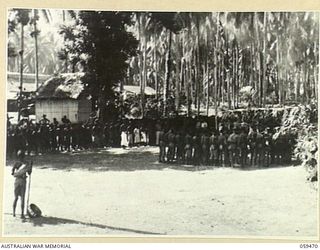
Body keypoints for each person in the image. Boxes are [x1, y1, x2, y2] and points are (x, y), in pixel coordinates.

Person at [12, 150, 32, 219]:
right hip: (23, 181)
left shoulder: (16, 163)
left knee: (16, 197)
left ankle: (14, 213)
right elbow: (29, 173)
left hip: (17, 181)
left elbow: (13, 173)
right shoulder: (26, 163)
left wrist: (18, 172)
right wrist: (30, 167)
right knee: (22, 198)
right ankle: (22, 214)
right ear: (24, 156)